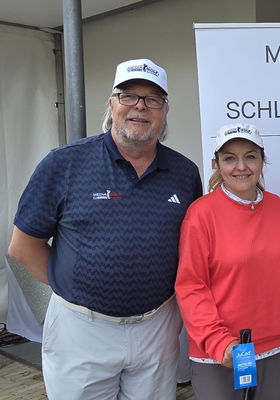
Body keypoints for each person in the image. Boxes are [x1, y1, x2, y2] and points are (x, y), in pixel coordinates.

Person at [7, 58, 203, 400]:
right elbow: (22, 247)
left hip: (157, 326)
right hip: (81, 329)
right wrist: (79, 288)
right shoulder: (64, 164)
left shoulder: (184, 173)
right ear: (112, 104)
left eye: (152, 99)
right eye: (128, 96)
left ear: (165, 111)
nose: (140, 106)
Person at [175, 123, 280, 400]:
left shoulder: (277, 207)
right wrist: (217, 341)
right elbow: (191, 286)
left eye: (250, 156)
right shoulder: (201, 214)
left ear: (262, 160)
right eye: (230, 158)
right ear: (217, 164)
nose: (241, 167)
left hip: (276, 345)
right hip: (223, 351)